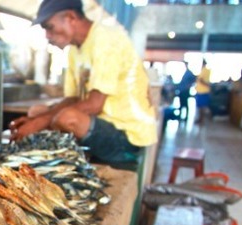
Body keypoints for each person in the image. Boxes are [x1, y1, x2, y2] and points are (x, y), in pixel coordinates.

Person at [9, 0, 156, 168]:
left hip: (127, 134)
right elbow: (73, 99)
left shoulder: (107, 40)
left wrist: (39, 123)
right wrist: (35, 119)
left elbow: (95, 105)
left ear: (71, 17)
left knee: (67, 118)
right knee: (38, 110)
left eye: (49, 27)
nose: (47, 36)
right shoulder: (74, 50)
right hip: (100, 125)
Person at [195, 59, 212, 124]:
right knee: (202, 106)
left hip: (202, 91)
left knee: (201, 107)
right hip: (203, 91)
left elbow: (201, 80)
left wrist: (207, 85)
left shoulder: (204, 70)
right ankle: (201, 119)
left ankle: (201, 120)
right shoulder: (207, 71)